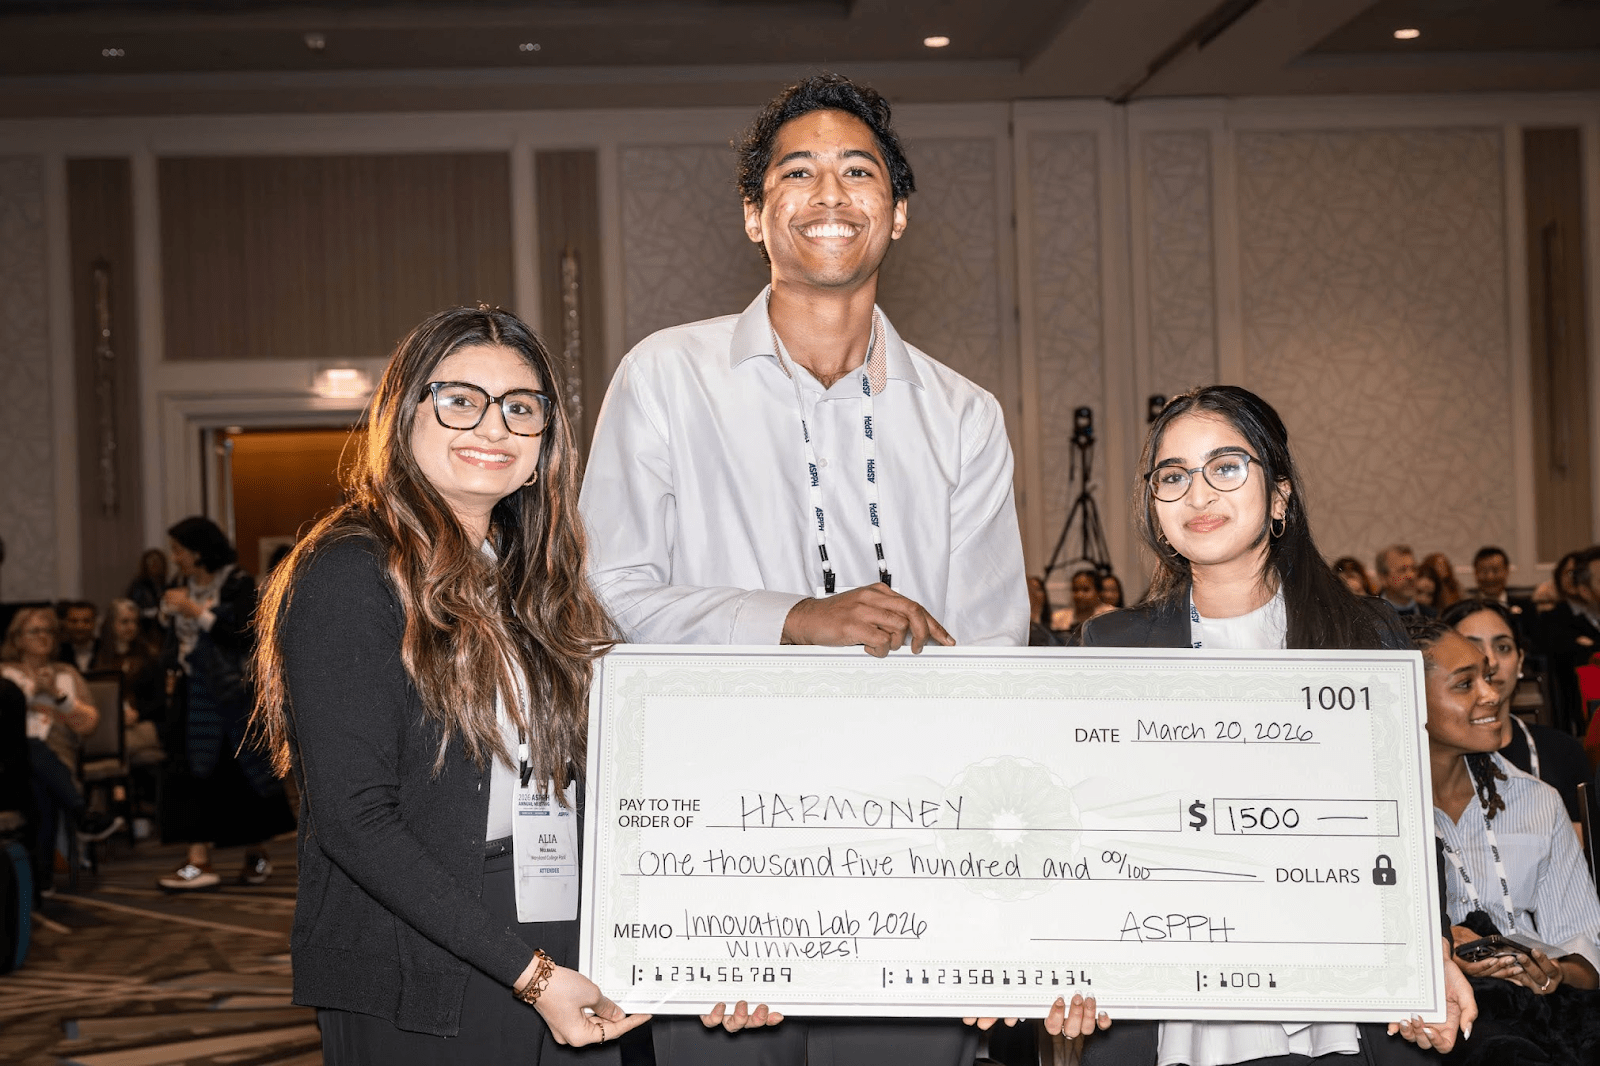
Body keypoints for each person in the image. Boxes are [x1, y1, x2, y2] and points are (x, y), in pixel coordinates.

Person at [581, 72, 1089, 1066]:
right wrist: (793, 618)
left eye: (857, 171)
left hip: (908, 852)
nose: (827, 193)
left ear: (896, 215)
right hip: (714, 843)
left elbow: (992, 649)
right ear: (752, 214)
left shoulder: (963, 415)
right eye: (796, 171)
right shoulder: (664, 379)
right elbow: (609, 596)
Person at [250, 305, 649, 1062]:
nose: (493, 427)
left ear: (543, 444)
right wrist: (529, 976)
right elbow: (355, 821)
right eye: (461, 400)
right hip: (424, 945)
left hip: (553, 910)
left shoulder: (538, 582)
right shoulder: (350, 573)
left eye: (521, 408)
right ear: (405, 416)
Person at [1078, 385, 1475, 1065]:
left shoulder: (1364, 633)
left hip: (1338, 998)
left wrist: (1425, 948)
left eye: (1225, 467)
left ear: (1281, 495)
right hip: (1173, 1003)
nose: (1197, 495)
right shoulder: (1110, 644)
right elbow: (1086, 828)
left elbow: (1401, 820)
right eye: (1173, 477)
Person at [1406, 618, 1599, 1061]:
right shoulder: (1374, 813)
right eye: (1464, 685)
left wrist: (1554, 974)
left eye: (1488, 677)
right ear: (1408, 697)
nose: (1491, 694)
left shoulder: (1535, 802)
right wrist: (1441, 949)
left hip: (1546, 1020)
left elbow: (1587, 953)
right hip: (1431, 1030)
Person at [156, 516, 294, 891]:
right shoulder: (178, 586)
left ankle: (257, 853)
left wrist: (195, 612)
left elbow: (242, 632)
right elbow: (173, 643)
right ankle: (197, 860)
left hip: (233, 696)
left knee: (240, 776)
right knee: (191, 775)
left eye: (179, 550)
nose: (175, 558)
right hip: (192, 694)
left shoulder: (237, 582)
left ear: (198, 551)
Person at [1442, 598, 1597, 830]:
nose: (1491, 662)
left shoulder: (1563, 753)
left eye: (1503, 647)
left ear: (1520, 661)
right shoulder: (1432, 759)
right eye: (1471, 648)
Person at [0, 607, 113, 893]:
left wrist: (55, 696)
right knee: (32, 747)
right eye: (34, 631)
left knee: (40, 779)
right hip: (10, 758)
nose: (43, 637)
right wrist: (26, 700)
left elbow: (88, 725)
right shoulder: (4, 673)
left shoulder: (66, 674)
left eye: (48, 631)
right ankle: (81, 813)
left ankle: (39, 878)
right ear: (17, 638)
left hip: (55, 757)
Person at [91, 598, 166, 768]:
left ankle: (117, 789)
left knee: (115, 746)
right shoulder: (98, 656)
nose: (131, 627)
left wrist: (137, 713)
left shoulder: (150, 658)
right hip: (106, 722)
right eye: (124, 622)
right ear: (111, 624)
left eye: (134, 622)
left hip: (141, 722)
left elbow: (159, 702)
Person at [1375, 545, 1435, 619]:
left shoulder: (1431, 616)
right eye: (1402, 570)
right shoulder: (1370, 617)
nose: (1411, 576)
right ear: (1383, 578)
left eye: (1414, 569)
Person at [1052, 567, 1114, 636]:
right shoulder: (1059, 617)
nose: (1079, 595)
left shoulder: (1110, 616)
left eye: (1085, 590)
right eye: (1075, 590)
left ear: (1098, 592)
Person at [126, 548, 169, 638]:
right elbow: (131, 608)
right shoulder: (138, 585)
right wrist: (152, 612)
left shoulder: (165, 585)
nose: (154, 564)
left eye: (157, 561)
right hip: (143, 630)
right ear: (145, 564)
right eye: (151, 561)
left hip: (162, 631)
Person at [56, 601, 99, 673]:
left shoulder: (106, 650)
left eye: (86, 621)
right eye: (74, 621)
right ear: (65, 623)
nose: (80, 626)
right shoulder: (57, 653)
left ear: (94, 623)